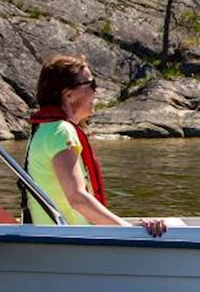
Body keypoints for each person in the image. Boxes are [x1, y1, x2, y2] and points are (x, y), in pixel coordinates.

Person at [23, 54, 166, 236]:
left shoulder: (44, 129)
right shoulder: (61, 132)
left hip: (66, 236)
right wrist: (128, 231)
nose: (95, 92)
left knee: (173, 223)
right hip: (72, 241)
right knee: (174, 228)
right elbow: (77, 198)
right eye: (91, 85)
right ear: (68, 95)